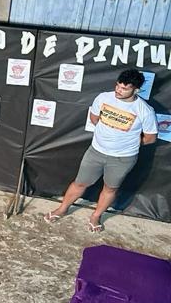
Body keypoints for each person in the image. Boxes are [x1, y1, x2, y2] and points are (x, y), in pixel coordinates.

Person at [45, 69, 157, 233]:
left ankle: (96, 216)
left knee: (110, 188)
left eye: (124, 88)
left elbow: (150, 138)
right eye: (117, 85)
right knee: (80, 183)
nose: (118, 90)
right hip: (96, 152)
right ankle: (62, 209)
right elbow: (94, 118)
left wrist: (127, 143)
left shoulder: (145, 111)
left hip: (122, 159)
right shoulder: (103, 98)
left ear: (136, 90)